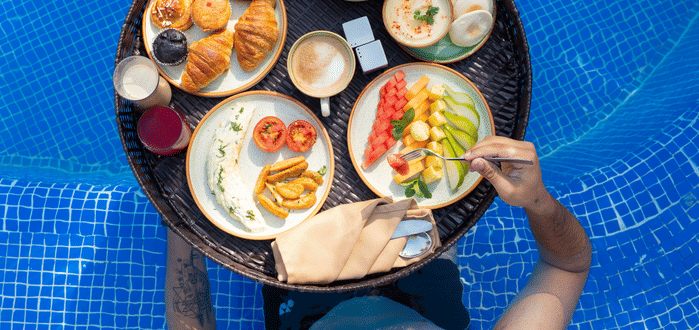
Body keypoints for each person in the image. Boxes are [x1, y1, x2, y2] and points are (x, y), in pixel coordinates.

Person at [166, 136, 592, 329]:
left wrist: (184, 222)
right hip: (419, 259)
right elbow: (567, 265)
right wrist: (536, 200)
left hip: (304, 294)